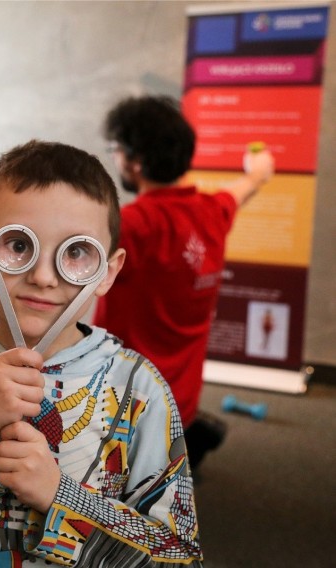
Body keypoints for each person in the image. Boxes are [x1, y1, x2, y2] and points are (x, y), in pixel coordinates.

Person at [0, 140, 203, 566]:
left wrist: (60, 495)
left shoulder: (138, 389)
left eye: (75, 253)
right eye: (18, 246)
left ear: (107, 273)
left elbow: (179, 558)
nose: (42, 276)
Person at [93, 95, 275, 470]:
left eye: (115, 150)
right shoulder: (212, 212)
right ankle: (183, 440)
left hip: (124, 406)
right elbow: (247, 186)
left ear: (134, 161)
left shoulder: (131, 225)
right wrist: (257, 171)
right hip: (181, 400)